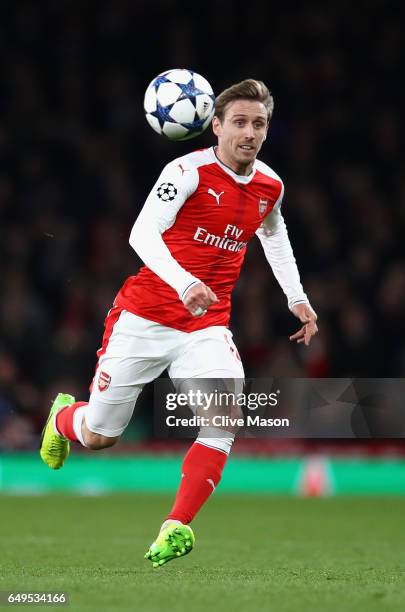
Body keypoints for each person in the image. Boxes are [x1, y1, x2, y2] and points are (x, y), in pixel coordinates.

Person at [40, 78, 318, 567]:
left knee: (224, 418)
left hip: (206, 326)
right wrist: (185, 282)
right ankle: (64, 418)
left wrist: (297, 297)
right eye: (239, 122)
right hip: (144, 317)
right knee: (101, 436)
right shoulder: (185, 171)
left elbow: (274, 235)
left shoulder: (270, 185)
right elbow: (142, 232)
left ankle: (176, 525)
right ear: (215, 126)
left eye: (259, 124)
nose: (249, 132)